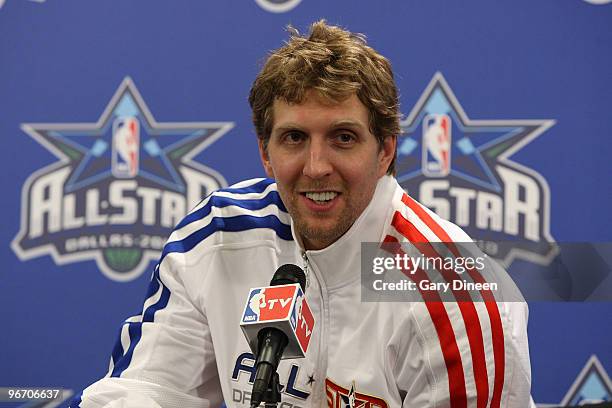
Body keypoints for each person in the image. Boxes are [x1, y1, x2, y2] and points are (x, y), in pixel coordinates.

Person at [71, 20, 533, 407]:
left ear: (386, 151)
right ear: (265, 154)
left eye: (343, 138)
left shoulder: (452, 295)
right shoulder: (218, 236)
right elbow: (144, 390)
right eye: (294, 138)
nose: (316, 168)